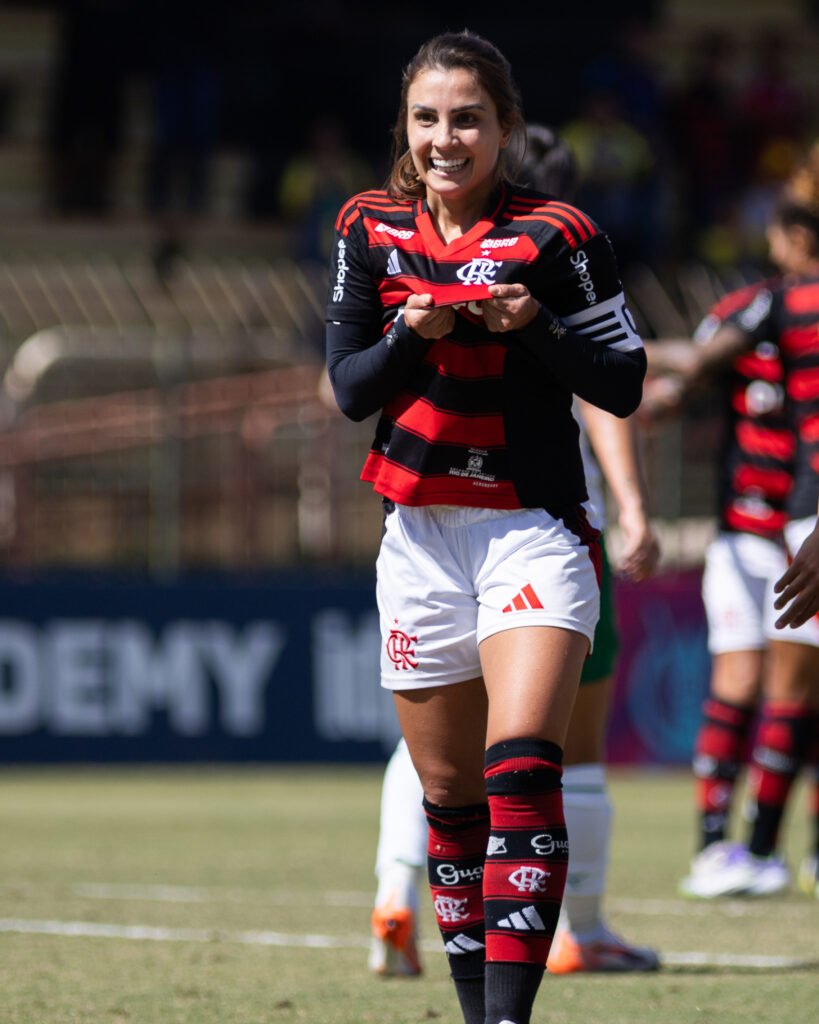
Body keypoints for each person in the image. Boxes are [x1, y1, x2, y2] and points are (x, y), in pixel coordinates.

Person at [325, 32, 646, 1024]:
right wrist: (407, 333)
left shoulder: (559, 235)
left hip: (532, 530)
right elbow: (348, 388)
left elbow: (622, 383)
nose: (445, 138)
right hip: (418, 535)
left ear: (505, 128)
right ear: (405, 128)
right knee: (451, 797)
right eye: (427, 119)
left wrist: (533, 327)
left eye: (467, 119)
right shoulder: (368, 226)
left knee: (523, 768)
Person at [641, 142, 819, 899]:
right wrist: (661, 392)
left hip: (782, 524)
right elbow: (693, 374)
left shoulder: (774, 306)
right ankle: (737, 847)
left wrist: (620, 356)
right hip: (771, 525)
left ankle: (751, 848)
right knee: (765, 684)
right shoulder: (767, 309)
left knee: (771, 685)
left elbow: (692, 369)